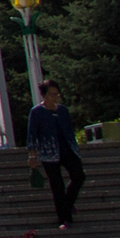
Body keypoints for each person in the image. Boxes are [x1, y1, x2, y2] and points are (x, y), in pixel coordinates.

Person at [27, 81, 86, 226]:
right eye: (52, 94)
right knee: (57, 186)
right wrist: (32, 155)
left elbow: (69, 130)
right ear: (45, 95)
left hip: (68, 149)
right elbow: (31, 135)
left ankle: (67, 203)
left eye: (57, 94)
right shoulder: (37, 112)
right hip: (48, 153)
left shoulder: (63, 111)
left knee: (79, 176)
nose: (55, 97)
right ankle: (65, 219)